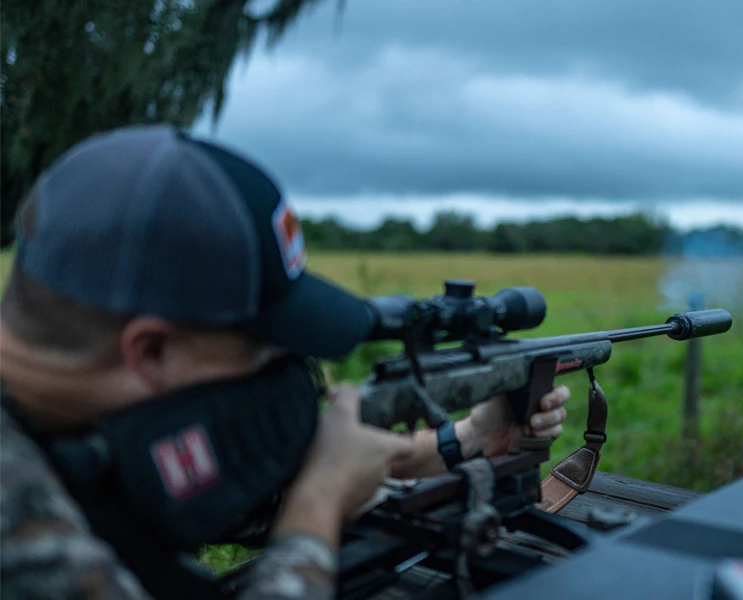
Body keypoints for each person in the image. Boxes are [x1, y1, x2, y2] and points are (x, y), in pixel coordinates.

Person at [0, 125, 571, 599]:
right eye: (264, 345)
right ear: (151, 350)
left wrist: (466, 438)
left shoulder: (80, 420)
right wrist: (318, 507)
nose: (284, 365)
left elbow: (245, 492)